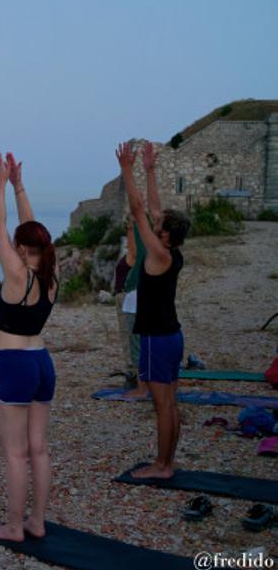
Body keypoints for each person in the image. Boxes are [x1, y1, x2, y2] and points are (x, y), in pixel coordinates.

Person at [0, 152, 59, 542]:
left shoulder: (17, 275)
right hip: (42, 363)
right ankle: (37, 521)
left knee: (15, 453)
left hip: (12, 363)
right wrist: (19, 186)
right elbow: (31, 230)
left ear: (19, 246)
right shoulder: (51, 274)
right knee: (39, 449)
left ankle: (14, 527)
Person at [116, 141, 191, 479]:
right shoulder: (172, 253)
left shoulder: (158, 255)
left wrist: (127, 169)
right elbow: (154, 209)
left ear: (164, 235)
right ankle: (168, 462)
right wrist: (149, 170)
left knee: (162, 406)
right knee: (171, 403)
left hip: (158, 339)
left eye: (159, 225)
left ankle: (161, 466)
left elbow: (137, 210)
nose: (155, 224)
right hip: (172, 335)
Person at [115, 215, 148, 397]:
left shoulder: (134, 257)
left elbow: (133, 250)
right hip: (126, 296)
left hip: (125, 297)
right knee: (130, 337)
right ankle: (135, 373)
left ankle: (133, 375)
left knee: (128, 337)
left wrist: (133, 226)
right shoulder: (139, 257)